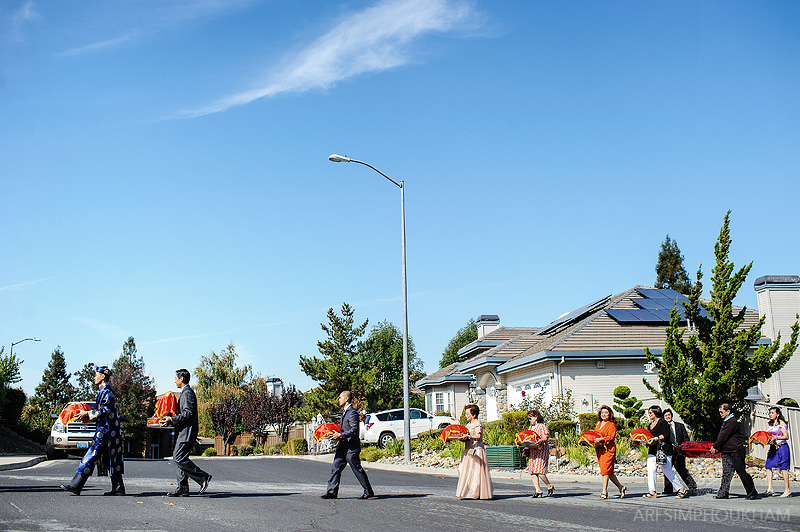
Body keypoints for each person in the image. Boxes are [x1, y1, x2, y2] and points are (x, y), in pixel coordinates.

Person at [60, 366, 125, 496]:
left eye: (96, 375)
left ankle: (76, 485)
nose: (94, 377)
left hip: (106, 430)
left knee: (91, 455)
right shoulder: (105, 391)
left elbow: (104, 410)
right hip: (109, 430)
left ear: (102, 377)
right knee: (109, 459)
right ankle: (118, 488)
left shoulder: (106, 391)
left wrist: (87, 414)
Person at [160, 369, 212, 497]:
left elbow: (188, 413)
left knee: (179, 458)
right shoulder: (184, 393)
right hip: (182, 431)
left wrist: (172, 419)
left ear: (181, 379)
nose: (174, 381)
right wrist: (170, 421)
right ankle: (182, 488)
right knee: (178, 458)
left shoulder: (187, 393)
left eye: (176, 378)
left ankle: (202, 477)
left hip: (187, 432)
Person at [322, 390, 374, 499]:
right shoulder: (345, 412)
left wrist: (340, 435)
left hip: (351, 448)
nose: (338, 399)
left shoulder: (352, 412)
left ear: (346, 399)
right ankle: (331, 492)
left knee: (357, 469)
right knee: (335, 467)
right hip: (343, 447)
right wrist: (333, 434)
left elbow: (354, 430)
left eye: (340, 397)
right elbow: (344, 428)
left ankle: (368, 491)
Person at [710, 402, 757, 500]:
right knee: (727, 473)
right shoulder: (726, 421)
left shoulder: (731, 421)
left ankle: (752, 492)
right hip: (727, 452)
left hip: (736, 452)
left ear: (728, 411)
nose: (720, 414)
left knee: (741, 473)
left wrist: (715, 446)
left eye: (722, 412)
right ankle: (723, 493)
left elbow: (723, 436)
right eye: (720, 412)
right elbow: (722, 436)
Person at [642, 405, 688, 499]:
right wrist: (646, 442)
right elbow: (648, 436)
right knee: (651, 469)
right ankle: (652, 491)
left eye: (651, 412)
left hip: (664, 450)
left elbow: (666, 435)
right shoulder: (650, 425)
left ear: (656, 412)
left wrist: (656, 438)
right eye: (649, 413)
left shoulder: (663, 422)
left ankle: (681, 489)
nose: (649, 414)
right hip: (653, 450)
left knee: (666, 469)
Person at [455, 404, 493, 499]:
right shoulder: (468, 425)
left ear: (474, 415)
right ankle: (469, 491)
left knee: (476, 471)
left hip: (476, 450)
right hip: (468, 450)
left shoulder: (477, 423)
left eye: (468, 414)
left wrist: (469, 436)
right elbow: (466, 437)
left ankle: (476, 492)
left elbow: (478, 436)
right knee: (463, 469)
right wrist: (461, 438)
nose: (466, 416)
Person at [662, 408, 697, 495]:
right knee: (668, 469)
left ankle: (693, 487)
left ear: (672, 415)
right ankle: (668, 489)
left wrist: (684, 446)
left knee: (682, 469)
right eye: (666, 416)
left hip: (680, 451)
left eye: (669, 415)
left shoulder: (680, 426)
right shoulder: (663, 428)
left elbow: (686, 437)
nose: (667, 417)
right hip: (669, 451)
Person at [593, 405, 625, 499]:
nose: (604, 414)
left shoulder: (611, 425)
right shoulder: (598, 423)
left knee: (605, 471)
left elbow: (611, 437)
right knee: (609, 471)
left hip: (608, 449)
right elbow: (595, 434)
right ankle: (621, 487)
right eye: (602, 412)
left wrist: (601, 439)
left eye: (606, 412)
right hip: (600, 449)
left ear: (610, 414)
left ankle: (604, 492)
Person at [525, 409, 554, 498]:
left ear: (536, 417)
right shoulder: (530, 428)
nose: (530, 419)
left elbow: (545, 437)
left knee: (540, 471)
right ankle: (538, 490)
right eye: (529, 418)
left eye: (531, 418)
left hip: (541, 450)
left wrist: (541, 440)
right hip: (532, 450)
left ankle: (549, 485)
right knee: (533, 471)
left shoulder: (542, 426)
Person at [764, 406, 791, 497]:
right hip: (773, 447)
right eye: (770, 413)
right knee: (768, 465)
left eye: (772, 413)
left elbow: (786, 436)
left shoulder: (781, 423)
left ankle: (787, 489)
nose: (770, 414)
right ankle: (770, 487)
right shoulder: (770, 424)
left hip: (782, 446)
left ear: (778, 414)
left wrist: (776, 438)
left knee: (784, 467)